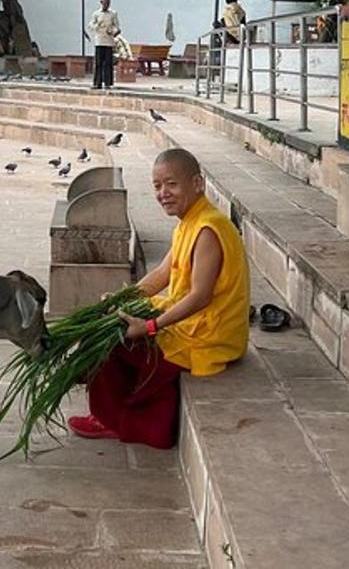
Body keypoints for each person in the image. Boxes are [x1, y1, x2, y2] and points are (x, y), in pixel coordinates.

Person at [68, 148, 250, 448]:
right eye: (156, 186)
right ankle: (113, 411)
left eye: (172, 184)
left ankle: (120, 421)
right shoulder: (188, 223)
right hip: (194, 322)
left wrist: (150, 327)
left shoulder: (208, 229)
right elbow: (162, 275)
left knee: (113, 343)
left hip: (208, 335)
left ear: (197, 183)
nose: (163, 193)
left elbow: (200, 297)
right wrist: (122, 299)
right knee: (109, 324)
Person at [88, 0, 121, 90]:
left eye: (108, 3)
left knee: (108, 63)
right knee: (98, 62)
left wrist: (113, 31)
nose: (106, 5)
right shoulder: (96, 14)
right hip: (99, 40)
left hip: (109, 41)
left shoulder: (113, 13)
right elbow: (90, 25)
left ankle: (108, 83)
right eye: (105, 2)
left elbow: (117, 26)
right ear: (101, 3)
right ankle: (97, 83)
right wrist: (97, 25)